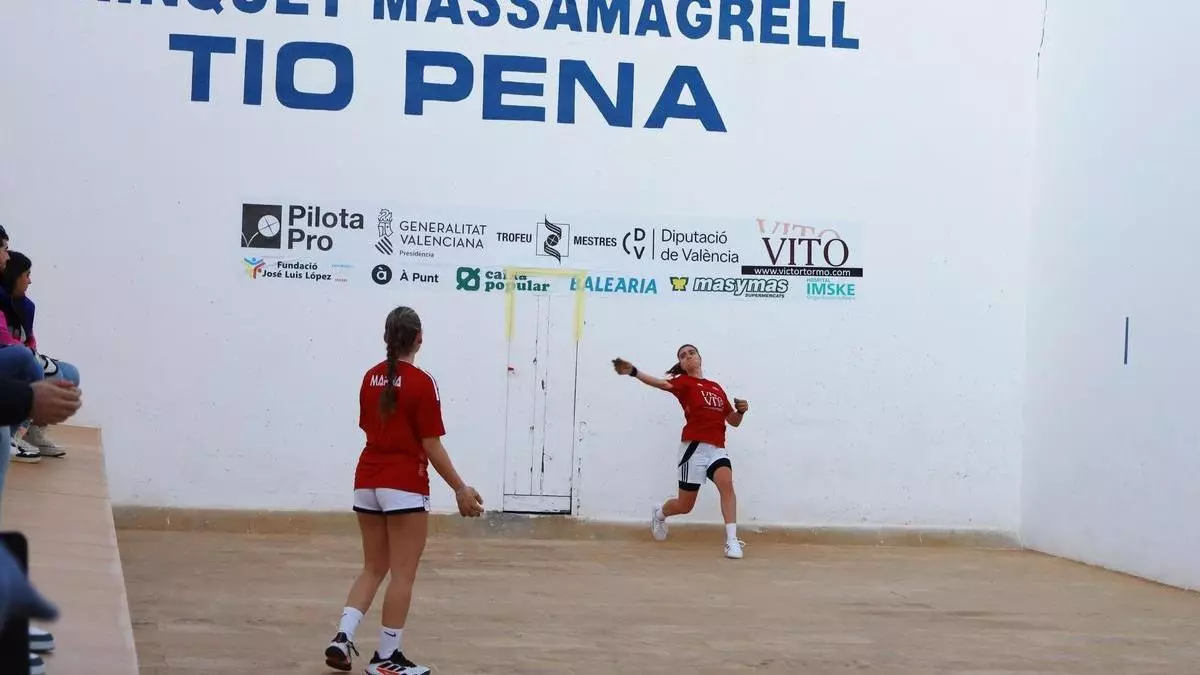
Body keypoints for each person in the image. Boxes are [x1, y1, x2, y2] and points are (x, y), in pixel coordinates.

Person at [324, 306, 484, 675]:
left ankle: (342, 637)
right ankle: (386, 657)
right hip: (404, 486)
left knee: (372, 567)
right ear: (419, 339)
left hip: (366, 481)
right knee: (402, 574)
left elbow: (369, 428)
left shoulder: (369, 378)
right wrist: (460, 488)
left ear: (387, 337)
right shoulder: (423, 383)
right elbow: (431, 444)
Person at [612, 344, 750, 559]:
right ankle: (660, 514)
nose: (688, 357)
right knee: (685, 506)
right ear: (682, 364)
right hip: (693, 449)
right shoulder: (684, 383)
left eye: (691, 353)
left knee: (727, 486)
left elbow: (733, 421)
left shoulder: (716, 387)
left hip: (717, 449)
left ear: (700, 358)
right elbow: (660, 383)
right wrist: (634, 372)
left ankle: (732, 541)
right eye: (683, 356)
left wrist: (741, 411)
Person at [0, 252, 80, 459]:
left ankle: (31, 433)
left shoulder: (26, 306)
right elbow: (5, 339)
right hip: (7, 358)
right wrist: (32, 356)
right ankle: (11, 436)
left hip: (19, 354)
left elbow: (29, 340)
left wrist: (36, 355)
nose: (30, 280)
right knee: (28, 361)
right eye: (26, 275)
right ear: (14, 275)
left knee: (69, 374)